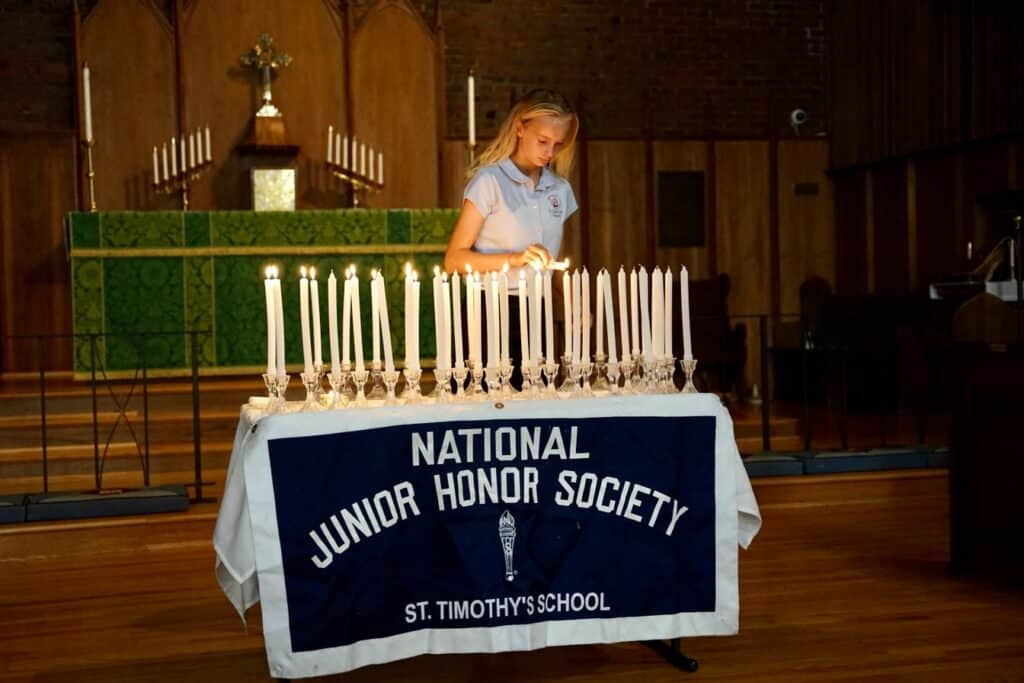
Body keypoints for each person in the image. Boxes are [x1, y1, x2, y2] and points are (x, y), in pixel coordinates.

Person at [443, 88, 580, 385]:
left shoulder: (559, 189)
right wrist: (515, 259)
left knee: (536, 408)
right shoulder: (490, 181)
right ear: (520, 128)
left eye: (558, 144)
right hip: (488, 312)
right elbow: (454, 260)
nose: (550, 152)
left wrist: (572, 300)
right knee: (485, 408)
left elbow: (553, 262)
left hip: (539, 311)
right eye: (543, 141)